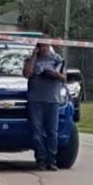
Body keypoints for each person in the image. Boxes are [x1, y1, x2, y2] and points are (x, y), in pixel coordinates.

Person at [23, 43, 66, 171]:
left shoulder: (57, 59)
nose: (44, 48)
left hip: (52, 100)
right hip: (35, 100)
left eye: (46, 46)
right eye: (41, 46)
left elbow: (64, 77)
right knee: (37, 133)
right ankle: (41, 159)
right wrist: (34, 56)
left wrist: (55, 74)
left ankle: (51, 160)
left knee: (52, 132)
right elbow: (27, 74)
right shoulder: (30, 60)